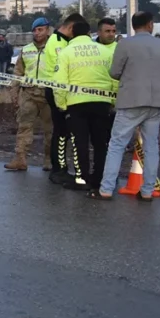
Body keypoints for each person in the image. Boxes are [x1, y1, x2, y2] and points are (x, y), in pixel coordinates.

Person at [92, 11, 160, 201]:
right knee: (151, 147)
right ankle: (147, 192)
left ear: (133, 26)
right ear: (150, 24)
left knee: (116, 145)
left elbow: (114, 72)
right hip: (156, 103)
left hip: (130, 101)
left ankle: (106, 189)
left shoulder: (124, 45)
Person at [53, 20, 117, 192]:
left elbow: (59, 82)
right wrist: (113, 101)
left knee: (79, 142)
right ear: (90, 33)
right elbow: (115, 78)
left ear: (72, 32)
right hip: (102, 103)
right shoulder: (105, 51)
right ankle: (99, 178)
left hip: (76, 104)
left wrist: (62, 105)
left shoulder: (66, 53)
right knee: (100, 143)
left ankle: (81, 179)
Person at [5, 17, 55, 171]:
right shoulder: (26, 50)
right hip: (29, 94)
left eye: (40, 30)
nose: (37, 33)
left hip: (49, 94)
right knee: (24, 127)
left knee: (51, 130)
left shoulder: (56, 49)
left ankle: (49, 160)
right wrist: (14, 93)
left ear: (47, 30)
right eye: (35, 30)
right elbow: (18, 73)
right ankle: (20, 159)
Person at [44, 13, 85, 185]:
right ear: (70, 27)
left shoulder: (66, 42)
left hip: (68, 91)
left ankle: (64, 168)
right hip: (56, 91)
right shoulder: (56, 43)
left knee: (67, 132)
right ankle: (58, 169)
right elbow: (60, 71)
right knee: (61, 132)